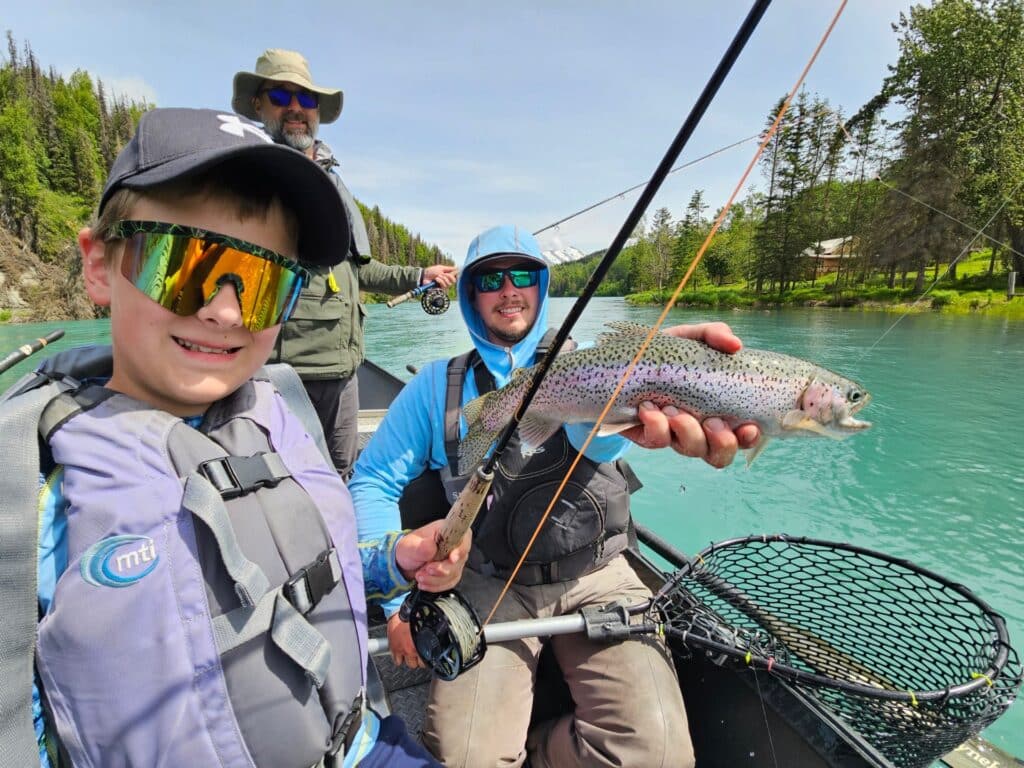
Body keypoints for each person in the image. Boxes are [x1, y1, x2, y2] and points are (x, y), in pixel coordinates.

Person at [3, 107, 470, 768]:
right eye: (185, 264)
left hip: (361, 746)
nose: (223, 310)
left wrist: (394, 558)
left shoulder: (281, 416)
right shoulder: (31, 484)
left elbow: (308, 563)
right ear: (101, 266)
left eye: (259, 284)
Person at [349, 224, 762, 768]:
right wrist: (399, 602)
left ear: (542, 287)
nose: (509, 289)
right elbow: (373, 480)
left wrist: (681, 371)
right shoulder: (434, 387)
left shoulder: (597, 362)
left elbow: (618, 421)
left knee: (658, 756)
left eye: (523, 274)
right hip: (487, 581)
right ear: (470, 295)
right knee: (462, 761)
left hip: (598, 571)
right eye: (490, 278)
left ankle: (540, 749)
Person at [231, 48, 457, 479]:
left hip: (343, 368)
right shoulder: (250, 176)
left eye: (307, 99)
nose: (296, 108)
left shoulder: (334, 179)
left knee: (341, 474)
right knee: (281, 479)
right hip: (280, 372)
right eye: (280, 96)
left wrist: (418, 276)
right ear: (259, 105)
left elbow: (355, 270)